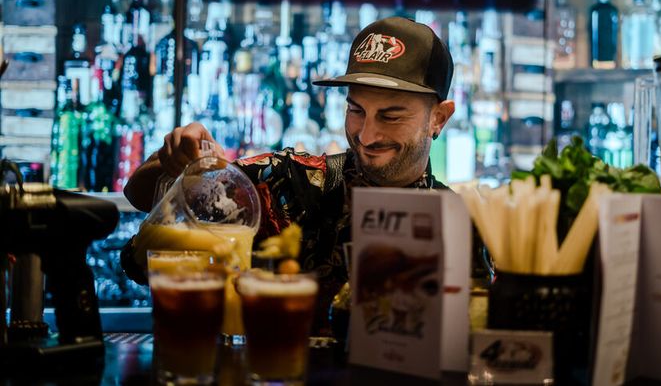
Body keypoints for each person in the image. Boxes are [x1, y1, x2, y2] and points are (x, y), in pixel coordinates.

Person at [121, 16, 455, 330]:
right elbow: (140, 198)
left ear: (438, 118)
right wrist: (177, 159)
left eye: (391, 116)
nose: (366, 136)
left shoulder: (459, 225)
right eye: (356, 110)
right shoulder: (292, 183)